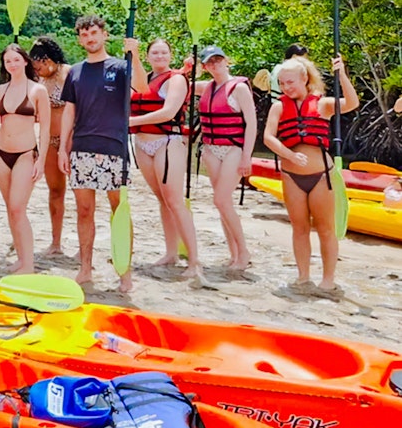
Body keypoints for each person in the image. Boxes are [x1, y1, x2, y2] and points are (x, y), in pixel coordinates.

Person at [263, 55, 358, 298]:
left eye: (291, 82)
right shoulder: (279, 106)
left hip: (320, 176)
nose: (286, 87)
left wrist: (342, 75)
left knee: (325, 229)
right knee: (299, 227)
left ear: (305, 78)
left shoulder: (323, 104)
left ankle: (328, 280)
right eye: (282, 83)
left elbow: (351, 103)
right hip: (291, 175)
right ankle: (303, 276)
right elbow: (269, 138)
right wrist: (289, 155)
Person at [58, 15, 132, 292]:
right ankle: (85, 267)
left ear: (104, 34)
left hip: (114, 146)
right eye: (84, 35)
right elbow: (69, 111)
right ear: (79, 39)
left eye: (94, 33)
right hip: (82, 147)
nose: (90, 38)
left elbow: (143, 88)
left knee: (119, 210)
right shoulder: (75, 72)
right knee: (84, 210)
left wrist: (133, 54)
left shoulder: (122, 66)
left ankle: (124, 271)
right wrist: (63, 149)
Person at [128, 38, 202, 277]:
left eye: (163, 53)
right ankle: (171, 252)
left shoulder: (176, 79)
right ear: (148, 56)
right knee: (162, 199)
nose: (159, 57)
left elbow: (168, 112)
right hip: (142, 143)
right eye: (154, 53)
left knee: (174, 200)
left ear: (170, 56)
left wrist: (131, 122)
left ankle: (194, 261)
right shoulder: (143, 79)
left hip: (168, 142)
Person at [0, 44, 50, 274]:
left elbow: (46, 129)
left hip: (25, 153)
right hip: (1, 152)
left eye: (16, 59)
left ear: (25, 61)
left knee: (18, 208)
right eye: (7, 61)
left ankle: (28, 265)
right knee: (10, 210)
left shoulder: (38, 90)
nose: (12, 64)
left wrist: (41, 160)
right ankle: (21, 259)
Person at [194, 45, 257, 272]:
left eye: (218, 60)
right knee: (223, 204)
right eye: (210, 62)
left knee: (220, 200)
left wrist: (247, 157)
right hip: (211, 149)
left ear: (226, 60)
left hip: (233, 149)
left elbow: (251, 123)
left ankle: (244, 252)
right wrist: (186, 68)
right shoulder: (205, 87)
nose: (215, 65)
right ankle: (233, 254)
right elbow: (179, 84)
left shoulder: (239, 88)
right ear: (205, 67)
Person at [29, 36, 72, 257]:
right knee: (55, 191)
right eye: (35, 68)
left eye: (41, 65)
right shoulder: (40, 82)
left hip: (72, 140)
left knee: (85, 194)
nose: (39, 70)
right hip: (49, 142)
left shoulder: (67, 73)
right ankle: (56, 242)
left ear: (50, 59)